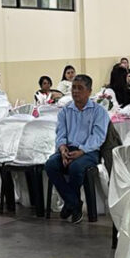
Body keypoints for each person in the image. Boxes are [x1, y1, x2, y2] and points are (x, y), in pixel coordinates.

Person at [45, 74, 109, 225]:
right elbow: (60, 133)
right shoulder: (65, 110)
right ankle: (74, 203)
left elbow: (98, 137)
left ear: (89, 91)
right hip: (68, 149)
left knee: (76, 167)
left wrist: (82, 151)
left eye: (80, 88)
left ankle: (70, 204)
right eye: (74, 88)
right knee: (51, 165)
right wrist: (62, 148)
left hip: (89, 151)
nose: (75, 91)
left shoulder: (98, 111)